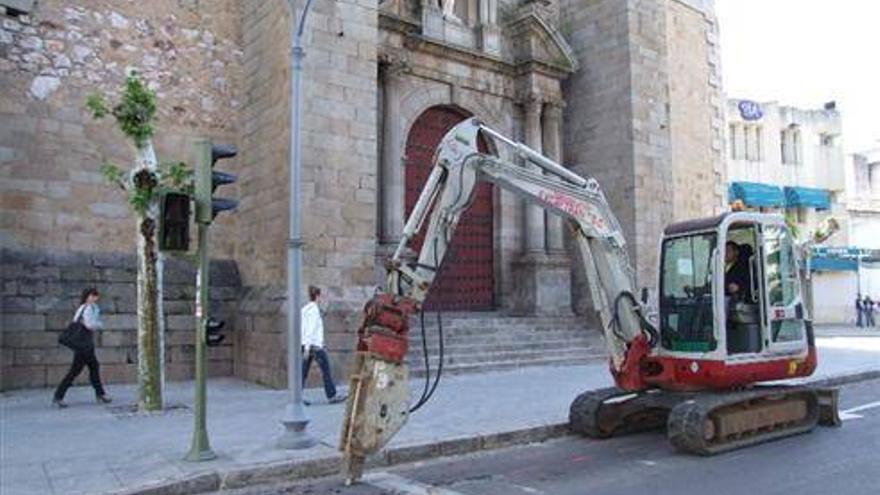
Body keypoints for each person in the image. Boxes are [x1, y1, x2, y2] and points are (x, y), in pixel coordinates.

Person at [53, 288, 112, 408]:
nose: (95, 298)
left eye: (96, 296)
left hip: (84, 344)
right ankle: (59, 396)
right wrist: (99, 324)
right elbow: (89, 325)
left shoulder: (85, 307)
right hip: (84, 344)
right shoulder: (88, 308)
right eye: (93, 296)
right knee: (77, 370)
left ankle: (100, 394)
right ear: (88, 296)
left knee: (93, 367)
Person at [301, 285, 346, 405]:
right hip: (314, 347)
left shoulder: (305, 309)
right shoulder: (314, 310)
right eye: (321, 296)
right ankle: (332, 395)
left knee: (303, 371)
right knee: (326, 370)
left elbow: (304, 329)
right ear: (317, 296)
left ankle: (296, 397)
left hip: (308, 344)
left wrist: (305, 346)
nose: (322, 299)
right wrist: (308, 347)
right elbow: (311, 330)